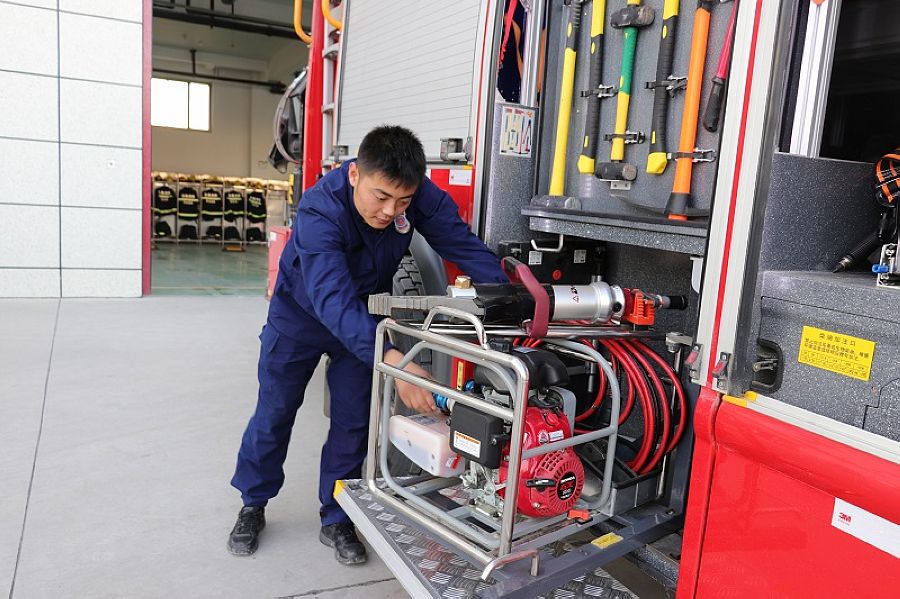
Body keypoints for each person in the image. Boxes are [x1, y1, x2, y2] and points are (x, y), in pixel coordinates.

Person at [227, 125, 508, 564]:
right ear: (355, 174)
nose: (390, 211)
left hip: (365, 317)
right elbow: (331, 298)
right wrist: (394, 360)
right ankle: (253, 502)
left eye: (403, 201)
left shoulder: (414, 195)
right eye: (381, 197)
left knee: (353, 422)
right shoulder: (320, 209)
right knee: (275, 412)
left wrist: (510, 293)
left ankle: (337, 515)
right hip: (301, 317)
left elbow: (461, 244)